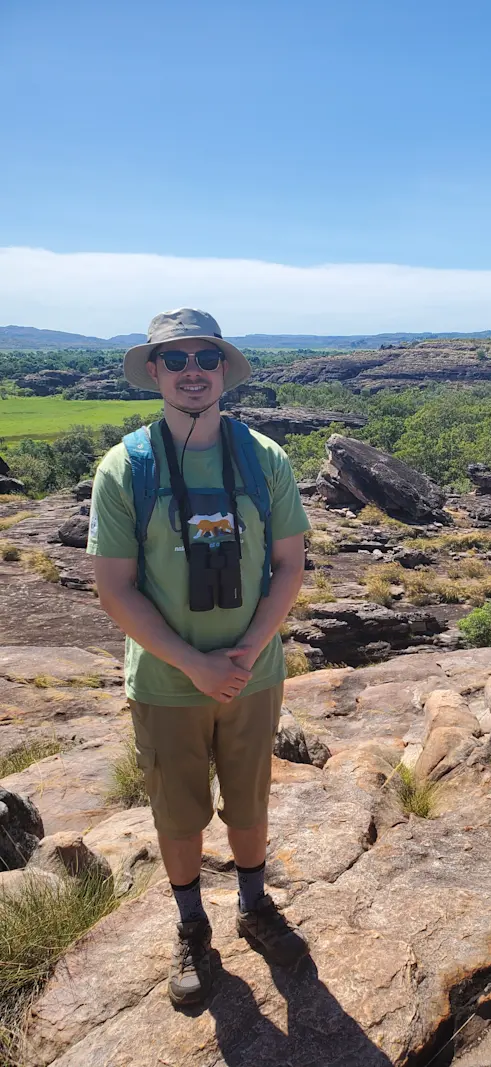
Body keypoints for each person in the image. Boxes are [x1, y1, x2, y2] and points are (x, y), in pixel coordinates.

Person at [88, 308, 311, 1006]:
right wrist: (194, 663)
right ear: (154, 371)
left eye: (204, 359)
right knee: (177, 815)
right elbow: (115, 588)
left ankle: (253, 905)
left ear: (223, 370)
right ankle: (193, 925)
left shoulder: (263, 458)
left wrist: (246, 651)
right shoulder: (127, 467)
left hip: (251, 674)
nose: (192, 371)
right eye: (176, 359)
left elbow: (288, 565)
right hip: (166, 682)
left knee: (249, 800)